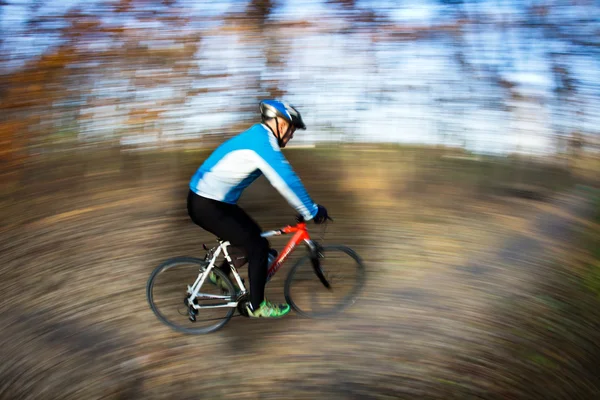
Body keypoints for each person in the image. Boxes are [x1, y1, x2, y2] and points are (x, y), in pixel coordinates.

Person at [187, 99, 329, 318]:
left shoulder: (258, 137)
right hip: (208, 204)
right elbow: (285, 181)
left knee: (257, 240)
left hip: (213, 201)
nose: (291, 136)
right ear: (280, 124)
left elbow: (281, 180)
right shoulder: (262, 142)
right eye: (292, 130)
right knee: (258, 249)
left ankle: (220, 274)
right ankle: (257, 306)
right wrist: (312, 210)